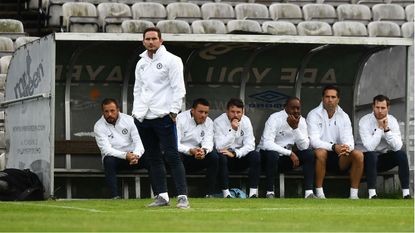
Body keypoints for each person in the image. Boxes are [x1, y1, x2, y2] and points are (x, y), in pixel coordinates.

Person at [132, 27, 189, 208]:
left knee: (172, 156)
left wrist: (174, 111)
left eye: (154, 38)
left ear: (161, 40)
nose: (150, 42)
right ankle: (162, 196)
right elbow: (137, 89)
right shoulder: (141, 63)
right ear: (143, 41)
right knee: (153, 157)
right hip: (143, 117)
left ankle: (182, 197)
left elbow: (178, 88)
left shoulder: (172, 60)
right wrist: (136, 111)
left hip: (164, 115)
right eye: (147, 39)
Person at [306, 85, 364, 199]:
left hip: (339, 156)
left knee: (358, 155)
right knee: (321, 152)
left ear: (338, 99)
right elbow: (313, 141)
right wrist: (333, 147)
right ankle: (319, 193)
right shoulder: (313, 114)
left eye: (333, 97)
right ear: (322, 98)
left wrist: (347, 148)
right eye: (327, 97)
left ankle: (354, 196)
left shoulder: (344, 116)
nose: (330, 100)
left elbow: (349, 140)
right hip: (318, 157)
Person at [257, 97, 316, 198]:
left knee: (309, 154)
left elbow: (304, 146)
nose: (296, 111)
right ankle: (269, 192)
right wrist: (289, 153)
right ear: (285, 108)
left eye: (298, 108)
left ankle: (309, 192)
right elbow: (267, 143)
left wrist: (295, 128)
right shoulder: (275, 118)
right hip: (267, 158)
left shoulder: (301, 121)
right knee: (273, 154)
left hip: (288, 160)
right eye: (293, 108)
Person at [94, 98, 149, 199]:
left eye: (112, 111)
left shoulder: (129, 120)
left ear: (118, 109)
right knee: (108, 160)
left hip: (134, 158)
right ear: (103, 112)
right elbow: (106, 150)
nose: (109, 114)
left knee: (151, 158)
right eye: (106, 111)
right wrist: (125, 155)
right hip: (117, 159)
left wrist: (136, 155)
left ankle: (160, 194)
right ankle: (115, 196)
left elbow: (139, 142)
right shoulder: (99, 126)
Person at [359, 94, 411, 199]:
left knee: (401, 154)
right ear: (373, 107)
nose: (380, 110)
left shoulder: (392, 121)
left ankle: (406, 194)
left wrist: (386, 130)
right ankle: (372, 194)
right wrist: (379, 129)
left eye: (383, 108)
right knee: (372, 155)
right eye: (377, 107)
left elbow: (397, 147)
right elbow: (370, 147)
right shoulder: (364, 121)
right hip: (364, 160)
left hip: (383, 159)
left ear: (388, 108)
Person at [214, 98, 261, 198]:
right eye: (232, 112)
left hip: (240, 156)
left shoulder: (246, 120)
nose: (235, 115)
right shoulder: (218, 121)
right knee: (221, 157)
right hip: (226, 158)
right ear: (227, 111)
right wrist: (233, 130)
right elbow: (219, 146)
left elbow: (250, 145)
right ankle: (226, 194)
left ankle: (253, 193)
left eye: (239, 112)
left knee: (255, 155)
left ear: (242, 112)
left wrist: (236, 153)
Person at [176, 98, 219, 197]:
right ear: (193, 110)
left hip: (197, 155)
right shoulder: (180, 119)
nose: (203, 115)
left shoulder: (209, 122)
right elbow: (175, 144)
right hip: (182, 154)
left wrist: (203, 151)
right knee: (176, 155)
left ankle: (209, 194)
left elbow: (208, 143)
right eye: (200, 112)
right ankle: (180, 194)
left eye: (206, 112)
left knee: (214, 157)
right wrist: (190, 150)